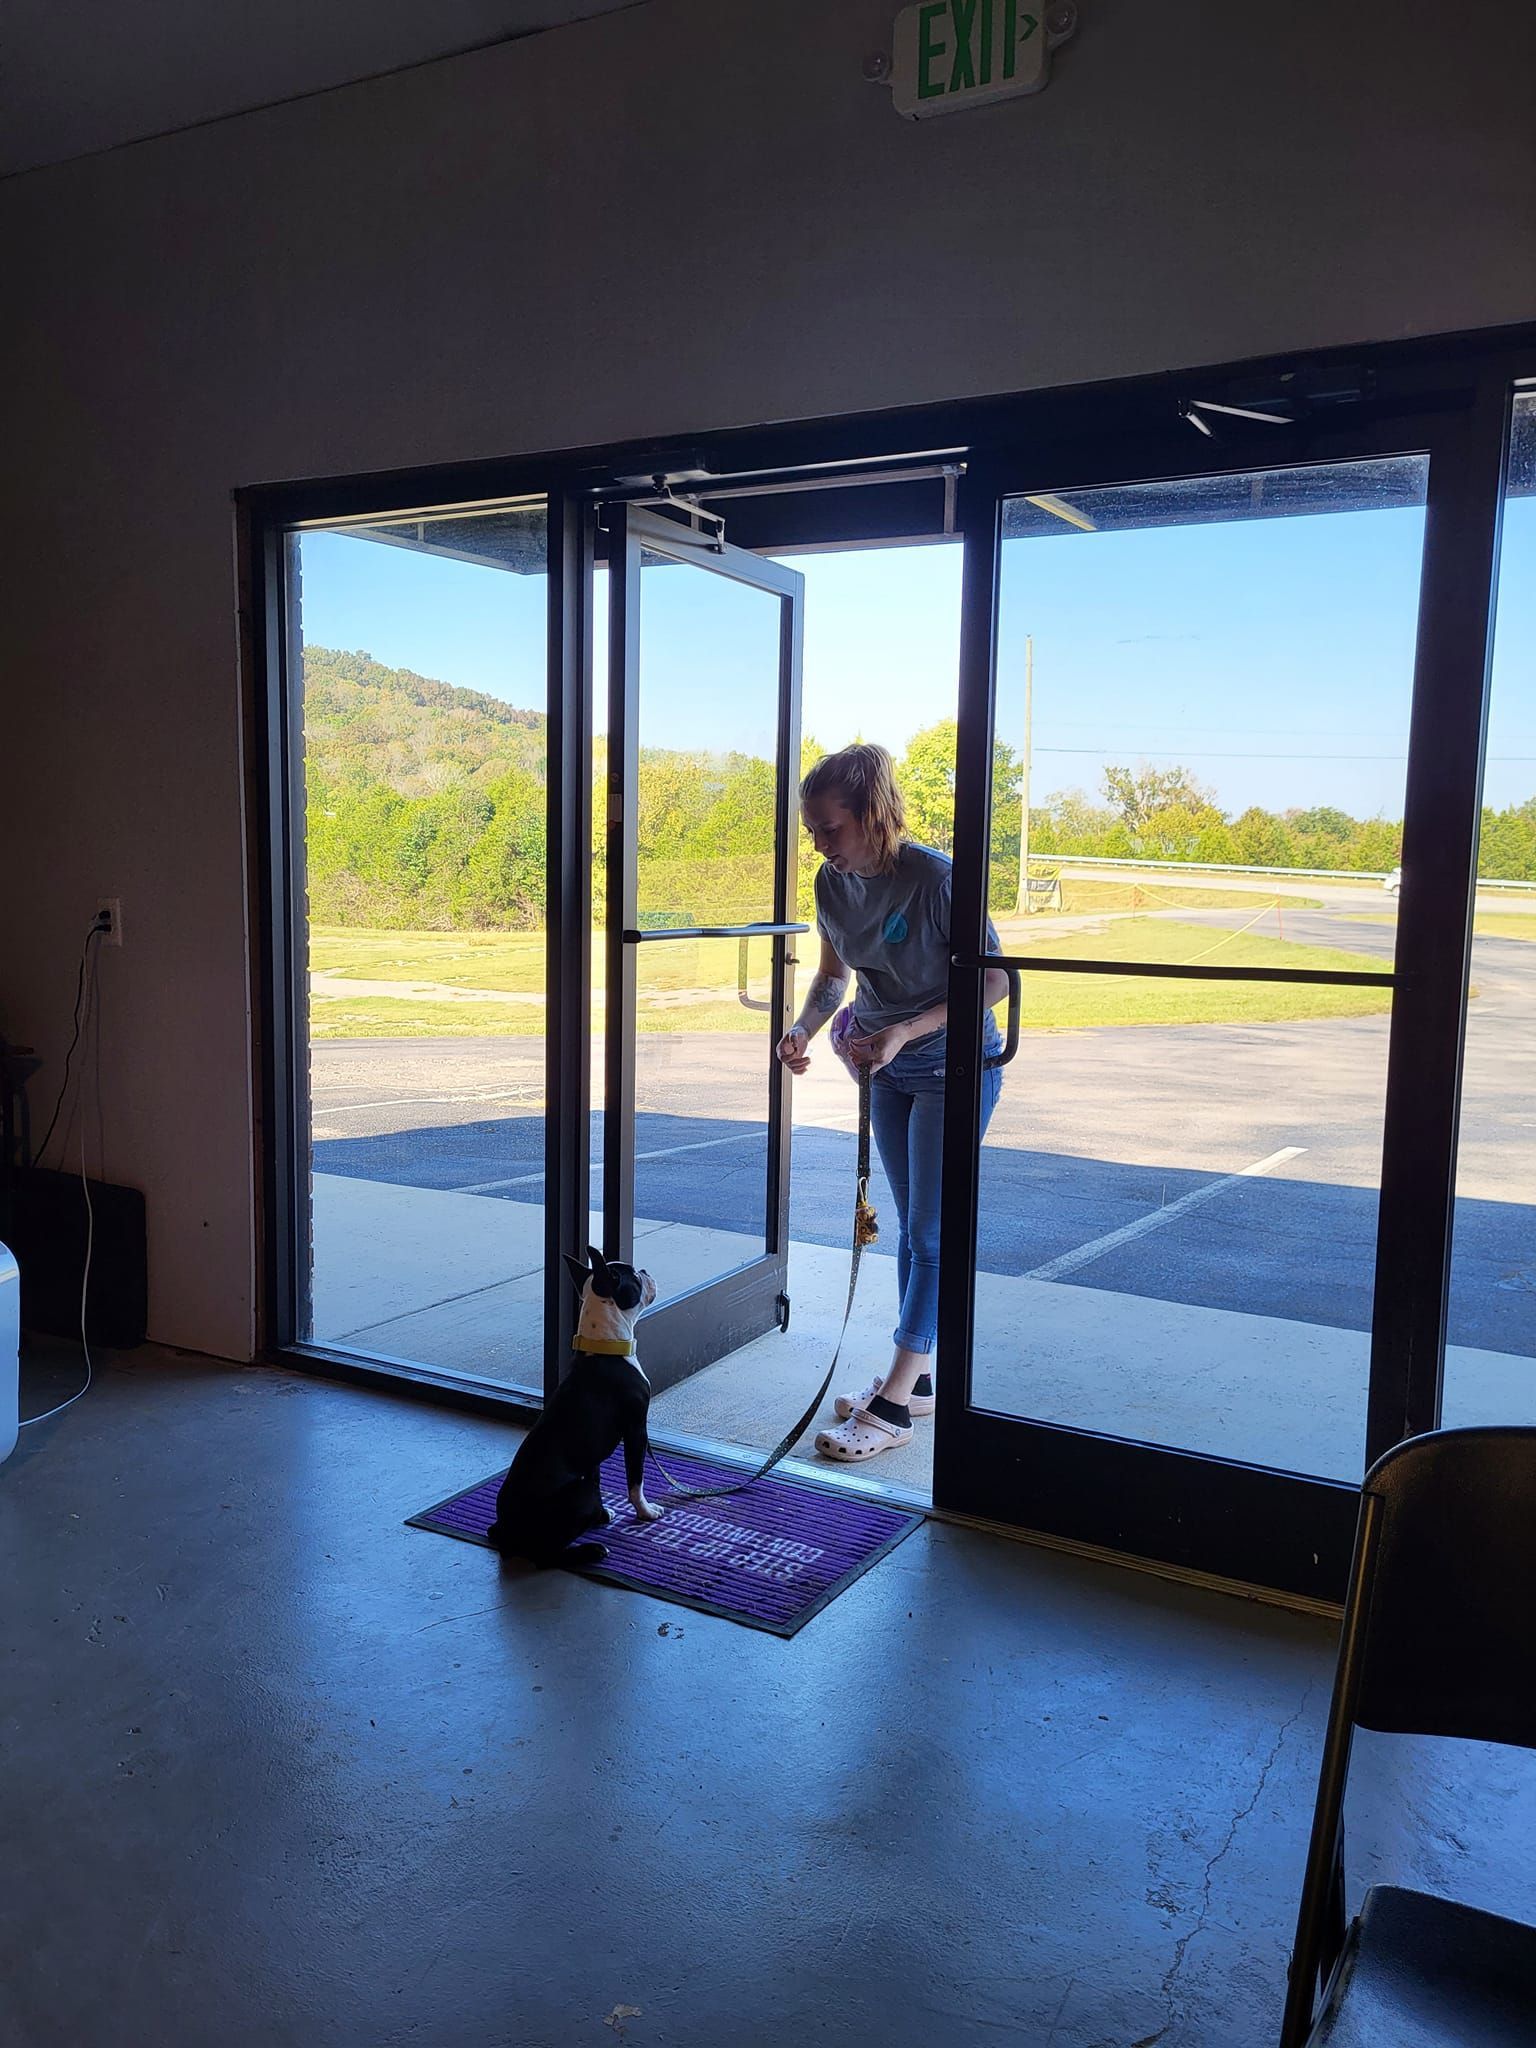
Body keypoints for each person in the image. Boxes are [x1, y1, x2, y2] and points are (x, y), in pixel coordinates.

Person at [776, 743, 1007, 1461]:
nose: (818, 843)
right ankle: (922, 1382)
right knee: (913, 1230)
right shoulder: (829, 883)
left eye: (829, 828)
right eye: (811, 829)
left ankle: (895, 1408)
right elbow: (833, 977)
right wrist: (803, 1027)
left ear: (871, 816)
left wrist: (909, 1027)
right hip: (883, 1068)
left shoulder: (936, 879)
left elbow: (995, 983)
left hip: (953, 1064)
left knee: (933, 1237)